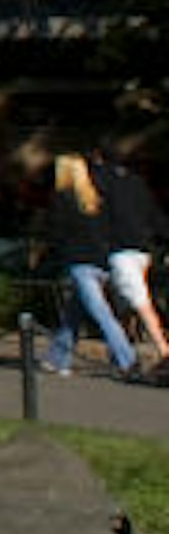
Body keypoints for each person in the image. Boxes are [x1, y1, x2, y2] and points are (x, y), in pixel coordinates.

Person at [44, 149, 139, 380]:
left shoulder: (63, 198)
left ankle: (126, 359)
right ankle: (57, 358)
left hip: (79, 262)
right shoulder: (95, 199)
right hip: (101, 261)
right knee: (73, 313)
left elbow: (57, 232)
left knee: (100, 312)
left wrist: (54, 252)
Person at [99, 150, 169, 371]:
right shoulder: (138, 184)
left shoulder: (103, 184)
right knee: (126, 301)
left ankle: (163, 350)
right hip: (141, 250)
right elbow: (155, 215)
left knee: (139, 302)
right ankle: (123, 351)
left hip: (120, 251)